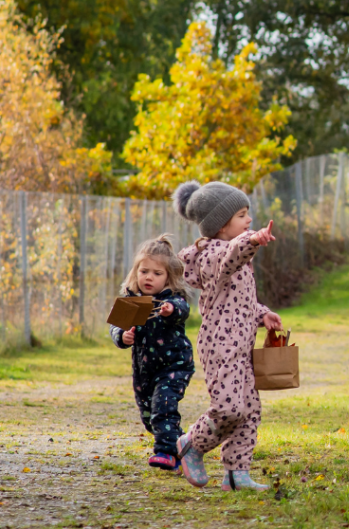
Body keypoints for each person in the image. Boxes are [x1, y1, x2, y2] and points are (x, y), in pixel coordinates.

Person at [173, 180, 283, 491]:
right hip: (220, 346)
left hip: (242, 344)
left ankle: (237, 474)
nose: (249, 220)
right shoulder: (213, 254)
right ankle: (191, 443)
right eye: (242, 215)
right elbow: (232, 255)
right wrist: (254, 240)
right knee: (229, 407)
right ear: (221, 226)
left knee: (249, 409)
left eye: (248, 215)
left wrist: (261, 313)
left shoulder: (235, 256)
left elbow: (240, 299)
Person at [110, 235, 195, 470]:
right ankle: (184, 445)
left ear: (168, 277)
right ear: (136, 271)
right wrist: (122, 336)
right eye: (144, 271)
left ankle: (166, 453)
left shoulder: (171, 299)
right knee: (150, 417)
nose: (149, 277)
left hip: (174, 366)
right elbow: (116, 326)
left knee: (163, 407)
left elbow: (183, 309)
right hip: (144, 370)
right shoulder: (132, 300)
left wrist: (171, 310)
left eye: (157, 274)